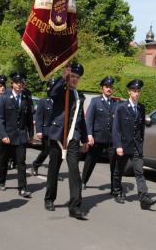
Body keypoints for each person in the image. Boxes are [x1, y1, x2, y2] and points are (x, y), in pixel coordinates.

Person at [44, 63, 88, 219]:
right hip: (57, 136)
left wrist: (84, 139)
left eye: (77, 77)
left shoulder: (79, 96)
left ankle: (75, 206)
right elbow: (52, 93)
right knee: (53, 169)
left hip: (73, 139)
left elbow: (81, 119)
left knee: (74, 171)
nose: (74, 79)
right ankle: (49, 198)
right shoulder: (61, 91)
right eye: (72, 76)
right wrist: (63, 78)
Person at [112, 79, 156, 210]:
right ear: (129, 92)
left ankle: (144, 198)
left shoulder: (141, 107)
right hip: (124, 145)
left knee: (139, 172)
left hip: (136, 146)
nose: (136, 93)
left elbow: (141, 128)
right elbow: (116, 128)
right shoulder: (121, 107)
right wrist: (118, 145)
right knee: (118, 171)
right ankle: (117, 191)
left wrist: (141, 143)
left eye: (138, 91)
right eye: (134, 91)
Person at [0, 71, 33, 198]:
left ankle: (22, 187)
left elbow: (29, 118)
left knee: (21, 162)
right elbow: (0, 118)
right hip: (7, 135)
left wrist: (31, 134)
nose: (19, 85)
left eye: (21, 83)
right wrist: (3, 135)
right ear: (12, 84)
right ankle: (1, 181)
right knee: (3, 160)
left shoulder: (26, 98)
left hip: (21, 136)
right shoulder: (5, 98)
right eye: (17, 83)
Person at [82, 76, 117, 193]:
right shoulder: (95, 101)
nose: (109, 89)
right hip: (97, 138)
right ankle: (83, 181)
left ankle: (114, 187)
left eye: (111, 87)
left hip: (111, 139)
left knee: (114, 164)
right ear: (102, 88)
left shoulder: (115, 103)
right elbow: (89, 119)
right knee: (90, 160)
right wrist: (89, 135)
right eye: (107, 87)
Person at [31, 78, 55, 177]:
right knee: (47, 150)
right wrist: (39, 130)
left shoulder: (60, 102)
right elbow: (39, 117)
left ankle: (53, 172)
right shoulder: (43, 101)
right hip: (46, 130)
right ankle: (35, 165)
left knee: (55, 153)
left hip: (57, 131)